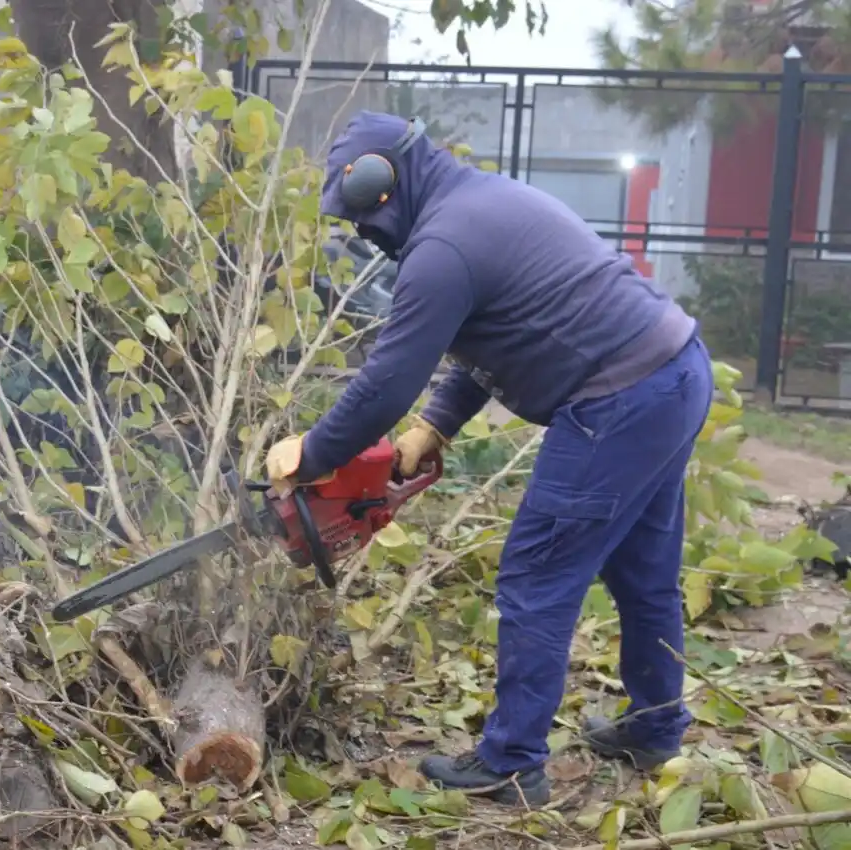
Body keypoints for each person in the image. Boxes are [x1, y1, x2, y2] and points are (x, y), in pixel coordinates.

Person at [264, 111, 713, 807]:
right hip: (675, 374)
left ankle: (511, 763)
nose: (362, 233)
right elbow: (496, 337)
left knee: (536, 575)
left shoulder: (444, 247)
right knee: (644, 573)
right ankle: (657, 727)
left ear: (385, 183)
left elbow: (385, 383)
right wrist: (433, 429)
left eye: (359, 215)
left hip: (618, 402)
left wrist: (313, 455)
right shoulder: (480, 206)